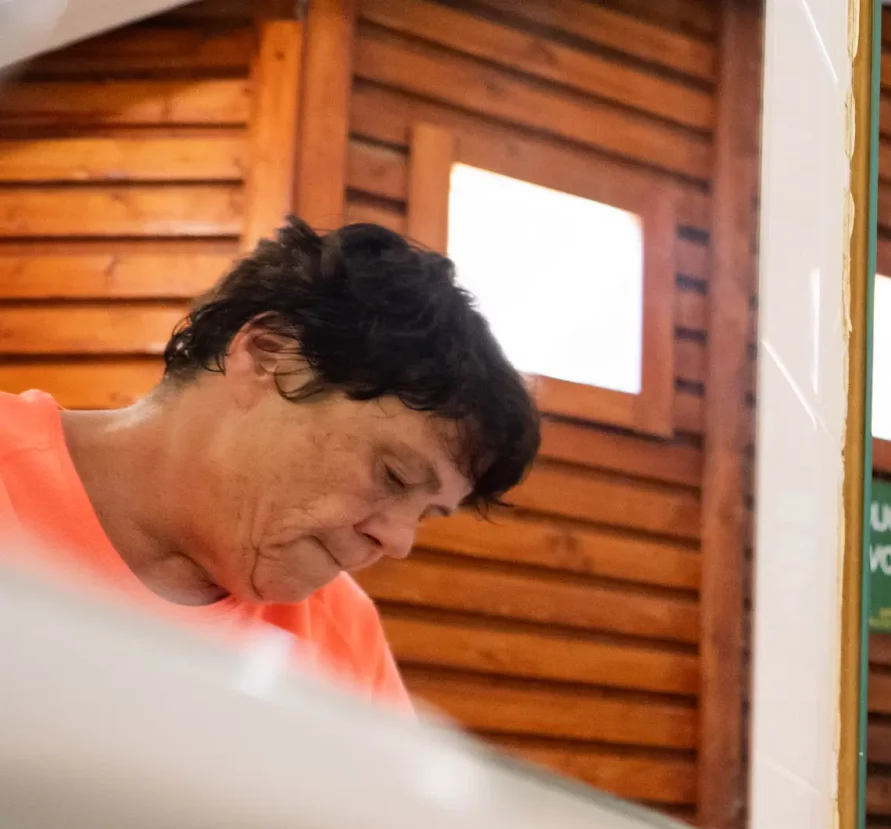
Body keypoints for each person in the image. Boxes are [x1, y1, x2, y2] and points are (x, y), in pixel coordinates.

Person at [0, 218, 540, 708]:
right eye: (393, 474)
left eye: (426, 514)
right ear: (267, 354)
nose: (398, 542)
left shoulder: (343, 637)